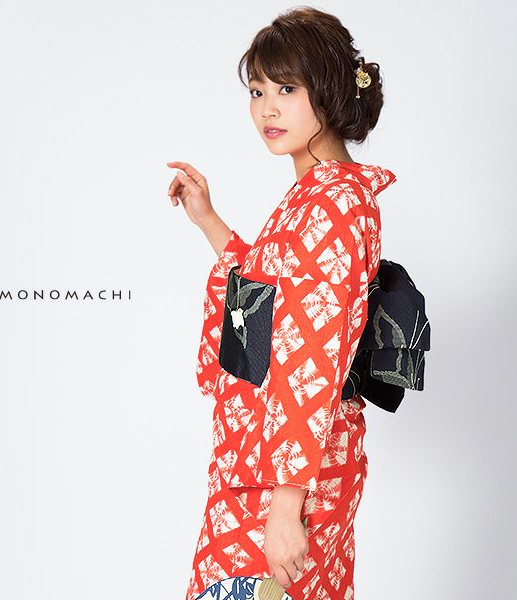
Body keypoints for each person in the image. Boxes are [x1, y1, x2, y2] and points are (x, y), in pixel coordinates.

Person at [166, 7, 397, 599]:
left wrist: (287, 503)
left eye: (286, 89)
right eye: (257, 91)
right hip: (268, 467)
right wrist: (208, 219)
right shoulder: (317, 196)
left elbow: (312, 351)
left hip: (285, 481)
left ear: (330, 89)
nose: (267, 108)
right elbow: (274, 298)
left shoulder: (333, 204)